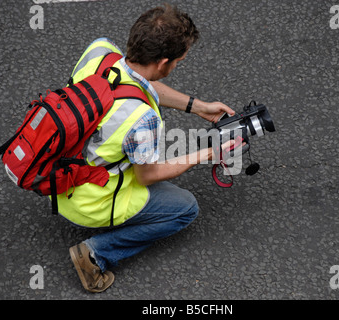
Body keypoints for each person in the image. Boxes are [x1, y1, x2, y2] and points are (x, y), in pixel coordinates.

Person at [60, 4, 236, 293]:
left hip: (61, 173)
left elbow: (138, 82)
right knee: (185, 208)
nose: (177, 66)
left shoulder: (100, 52)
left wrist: (199, 107)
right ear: (163, 62)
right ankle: (95, 253)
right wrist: (208, 154)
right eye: (178, 61)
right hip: (91, 199)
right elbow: (148, 175)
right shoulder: (141, 119)